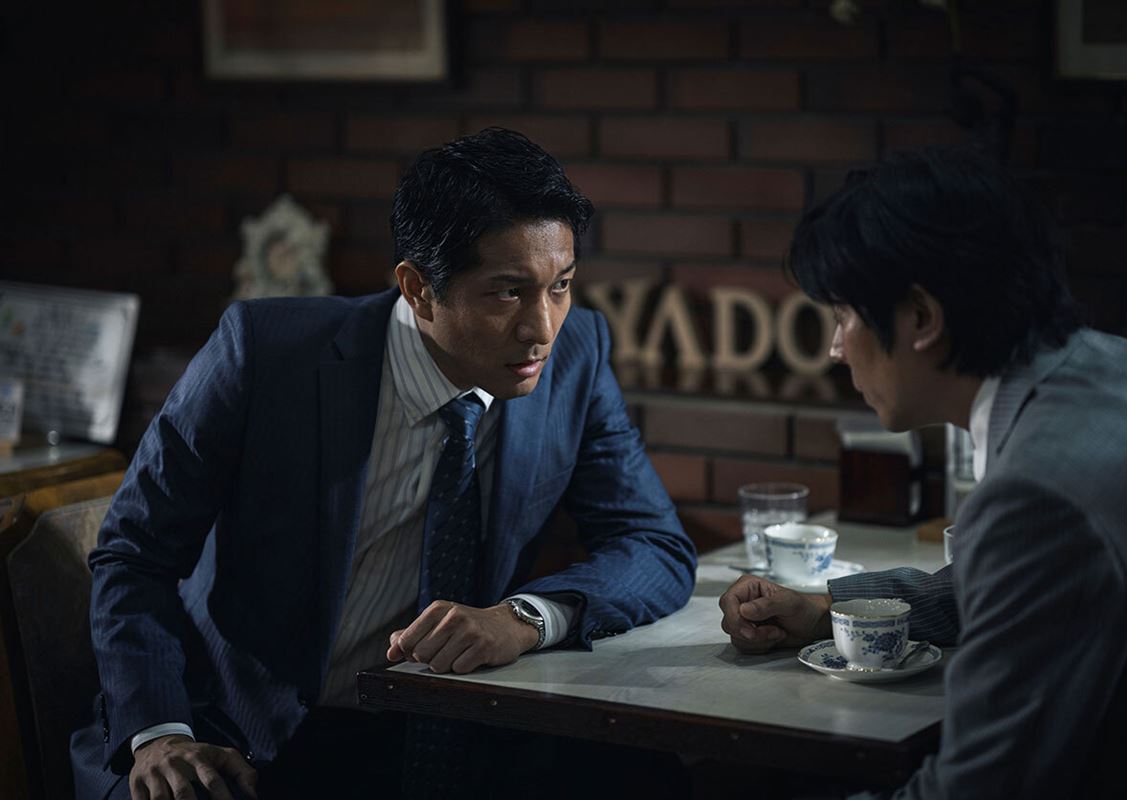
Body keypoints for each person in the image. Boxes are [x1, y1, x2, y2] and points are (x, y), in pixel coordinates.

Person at [71, 128, 697, 799]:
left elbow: (653, 545)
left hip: (453, 729)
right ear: (418, 289)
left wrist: (524, 617)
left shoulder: (575, 356)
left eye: (561, 286)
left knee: (653, 776)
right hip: (237, 728)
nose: (542, 328)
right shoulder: (264, 354)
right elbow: (135, 554)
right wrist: (160, 732)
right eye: (507, 292)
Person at [719, 145, 1127, 798]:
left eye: (844, 316)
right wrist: (827, 610)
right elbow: (1025, 587)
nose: (835, 349)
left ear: (921, 318)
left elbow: (980, 786)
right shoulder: (1116, 363)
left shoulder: (1041, 491)